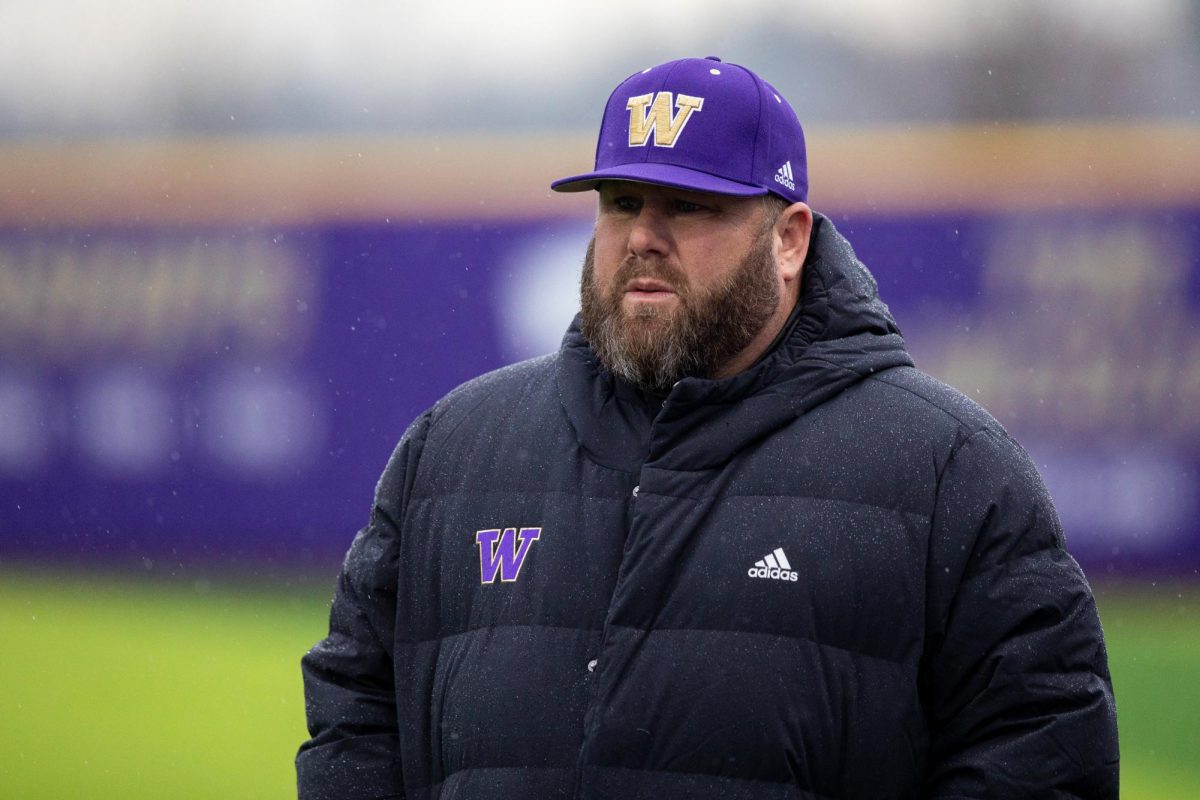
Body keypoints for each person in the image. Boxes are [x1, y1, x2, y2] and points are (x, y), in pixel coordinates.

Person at [297, 56, 1119, 799]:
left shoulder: (950, 471)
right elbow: (354, 720)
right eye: (622, 203)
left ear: (789, 239)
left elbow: (1043, 759)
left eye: (691, 206)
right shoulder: (454, 451)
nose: (644, 237)